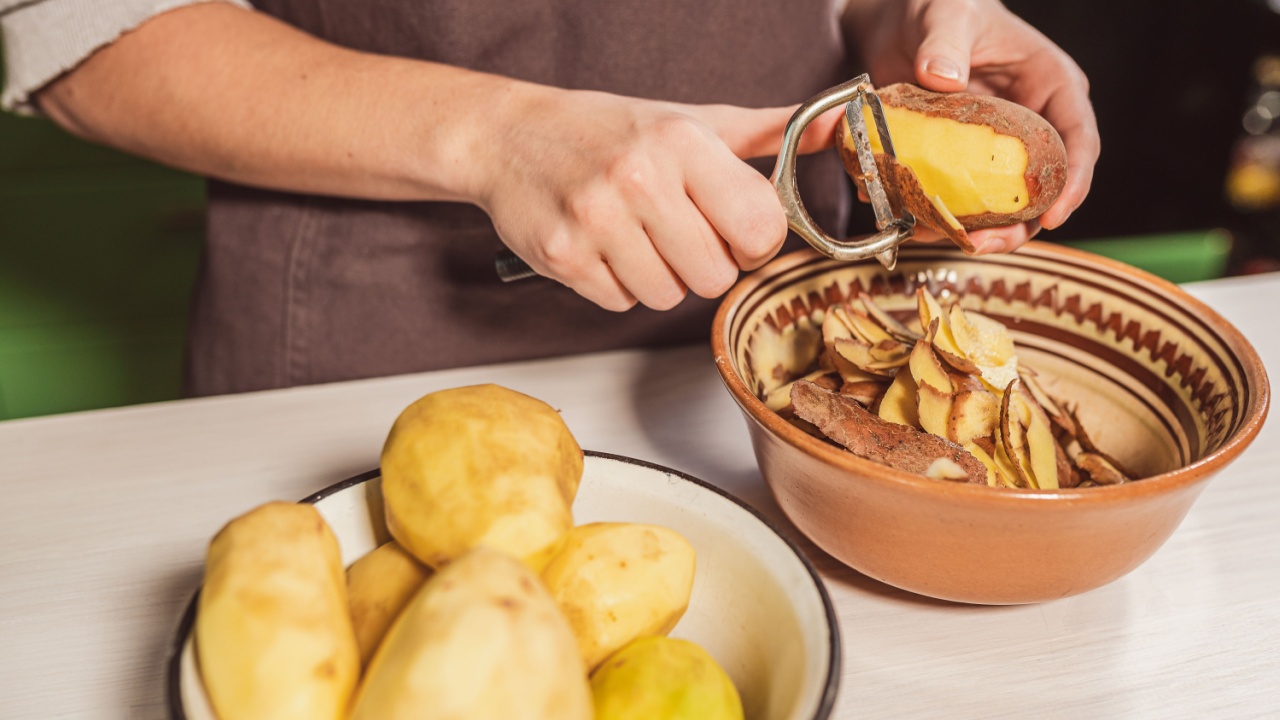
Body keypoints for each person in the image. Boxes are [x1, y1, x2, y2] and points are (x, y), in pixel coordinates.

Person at [0, 0, 1098, 396]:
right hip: (373, 361)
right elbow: (75, 23)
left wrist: (902, 16)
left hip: (792, 352)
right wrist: (499, 137)